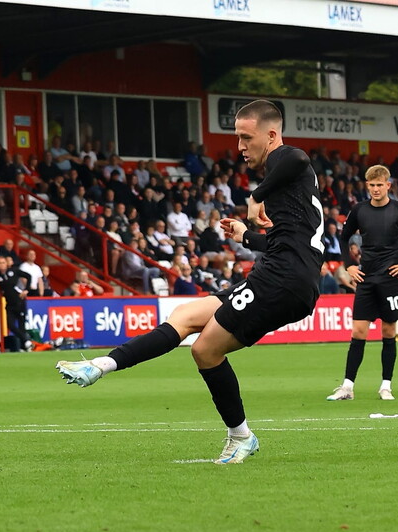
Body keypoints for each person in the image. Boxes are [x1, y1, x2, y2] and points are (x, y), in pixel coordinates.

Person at [56, 100, 325, 465]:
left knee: (205, 350)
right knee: (185, 315)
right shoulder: (288, 184)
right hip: (285, 273)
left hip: (284, 278)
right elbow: (283, 241)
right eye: (238, 138)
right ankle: (100, 366)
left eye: (247, 138)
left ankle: (241, 437)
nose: (240, 147)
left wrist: (254, 196)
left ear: (272, 135)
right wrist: (246, 236)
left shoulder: (283, 159)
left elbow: (299, 158)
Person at [326, 165, 398, 402]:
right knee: (358, 331)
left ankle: (385, 386)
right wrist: (349, 265)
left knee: (388, 330)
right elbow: (343, 240)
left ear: (387, 185)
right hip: (366, 277)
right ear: (367, 186)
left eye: (379, 185)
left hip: (391, 279)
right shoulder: (359, 210)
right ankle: (347, 387)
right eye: (371, 185)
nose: (375, 189)